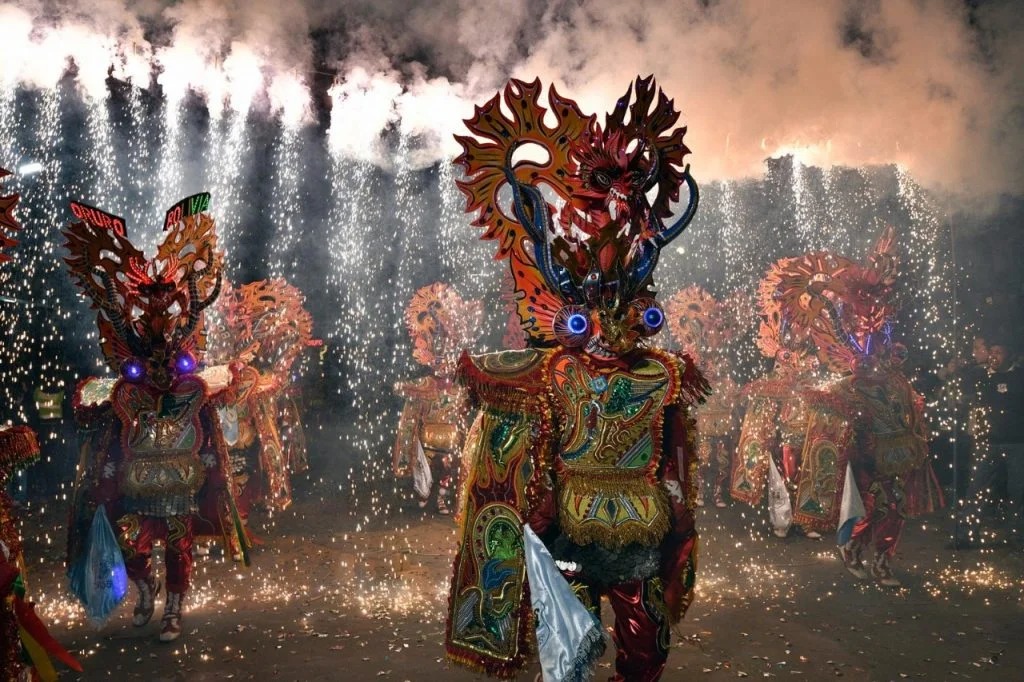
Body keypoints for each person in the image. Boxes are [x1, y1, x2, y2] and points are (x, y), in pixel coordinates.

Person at [445, 76, 705, 682]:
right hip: (569, 528)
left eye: (630, 314)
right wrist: (533, 515)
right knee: (570, 644)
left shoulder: (662, 373)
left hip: (640, 529)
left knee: (647, 646)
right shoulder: (554, 370)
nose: (612, 335)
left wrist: (680, 510)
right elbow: (531, 450)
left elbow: (675, 452)